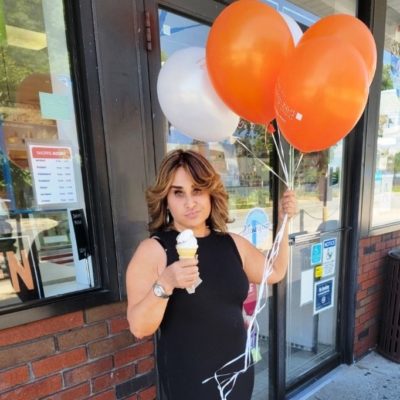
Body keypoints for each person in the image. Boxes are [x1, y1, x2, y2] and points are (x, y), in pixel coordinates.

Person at [126, 149, 297, 400]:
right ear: (165, 199)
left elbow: (275, 271)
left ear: (210, 192)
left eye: (197, 190)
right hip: (192, 382)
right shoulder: (154, 250)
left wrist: (284, 223)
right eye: (178, 193)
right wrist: (167, 282)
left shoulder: (231, 243)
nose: (190, 202)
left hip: (238, 374)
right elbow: (139, 327)